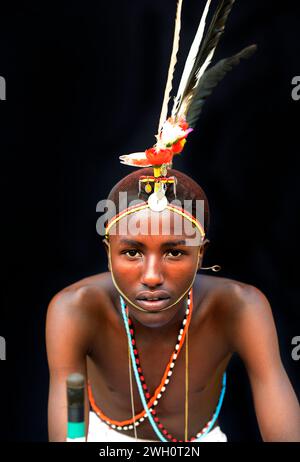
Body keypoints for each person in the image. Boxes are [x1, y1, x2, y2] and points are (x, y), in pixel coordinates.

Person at [46, 0, 300, 442]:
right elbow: (68, 424)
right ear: (107, 250)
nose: (151, 276)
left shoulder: (241, 308)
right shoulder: (75, 309)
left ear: (203, 253)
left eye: (176, 252)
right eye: (130, 251)